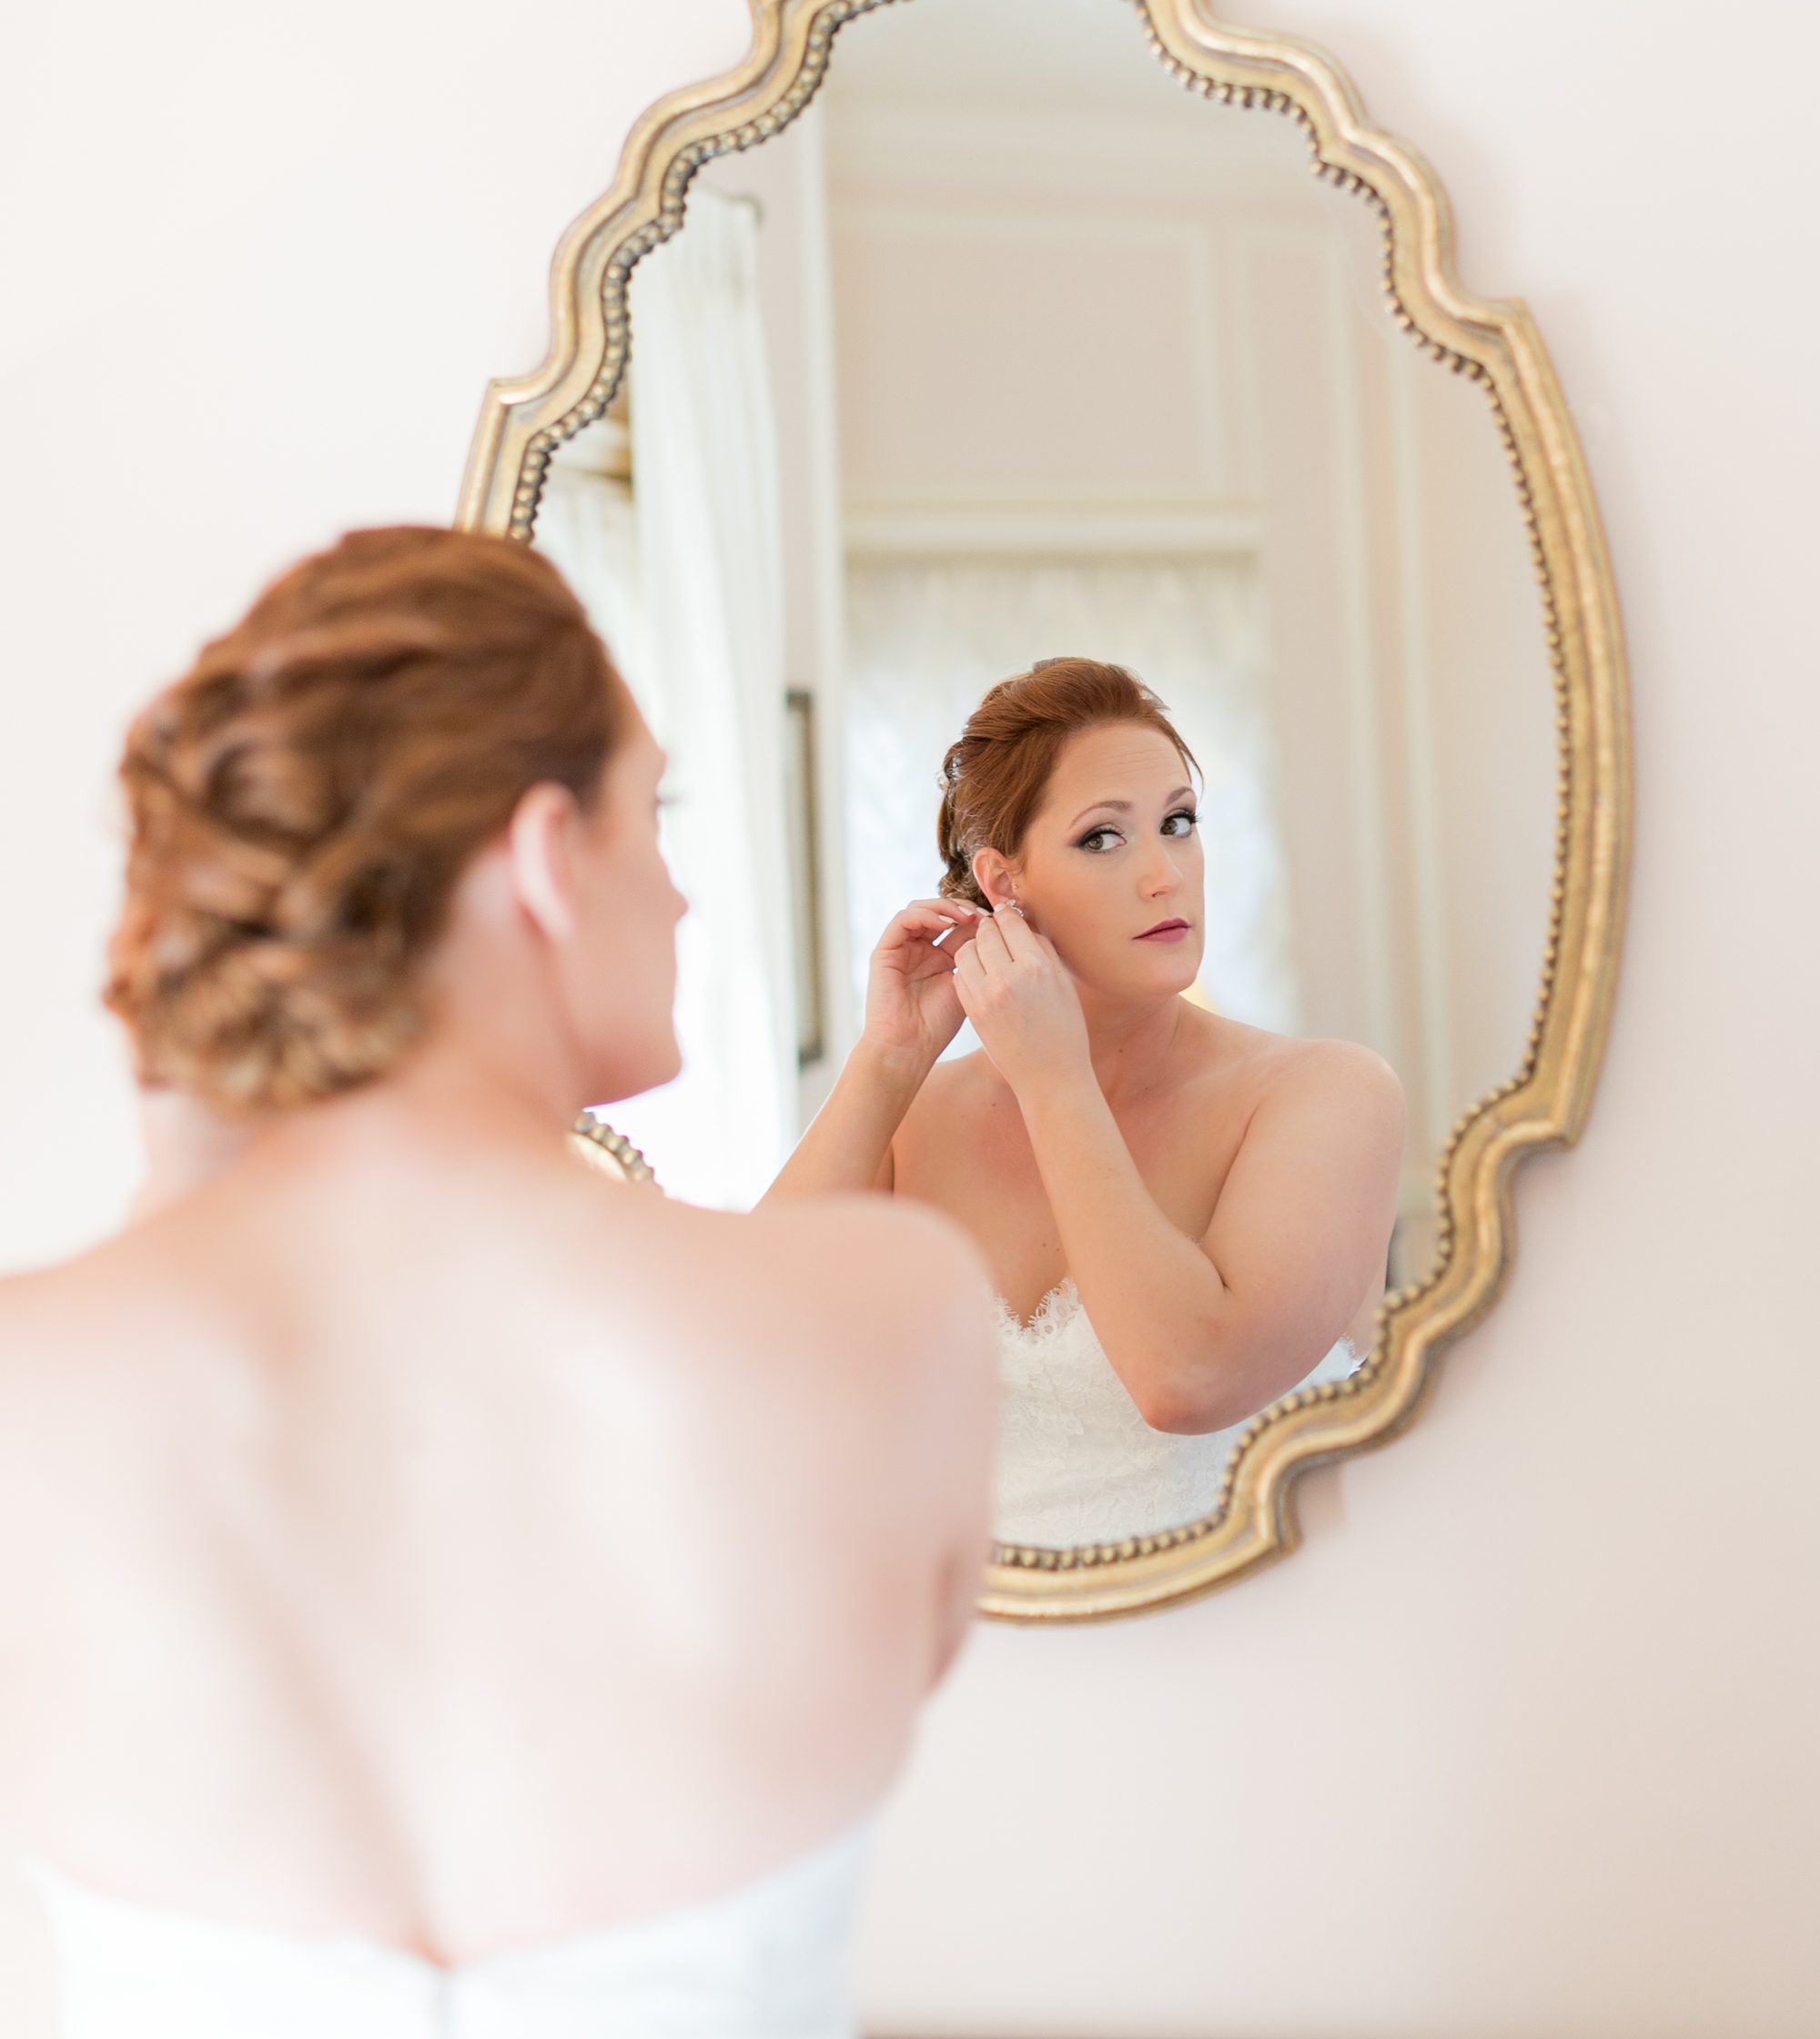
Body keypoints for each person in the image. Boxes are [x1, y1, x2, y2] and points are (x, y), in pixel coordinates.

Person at [0, 527, 995, 2037]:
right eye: (648, 813)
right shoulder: (894, 1316)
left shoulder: (40, 1388)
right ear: (543, 854)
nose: (676, 897)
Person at [767, 657, 1403, 1547]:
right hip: (975, 1661)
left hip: (1246, 1654)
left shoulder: (1323, 1098)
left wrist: (1053, 1080)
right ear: (1004, 882)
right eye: (1104, 838)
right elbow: (746, 1356)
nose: (1163, 875)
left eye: (1178, 824)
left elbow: (1184, 1378)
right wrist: (886, 1062)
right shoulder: (914, 1122)